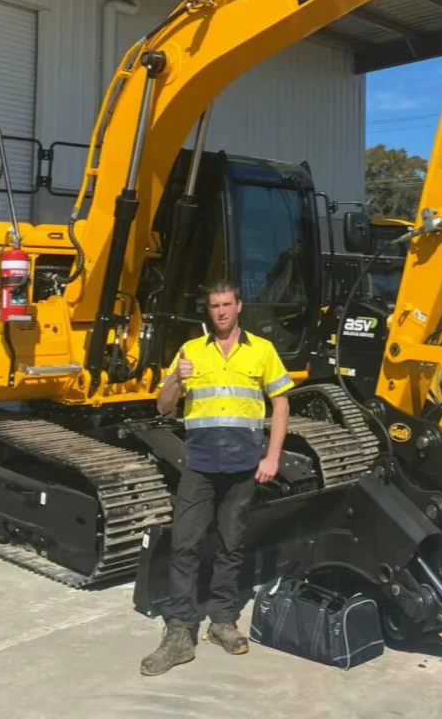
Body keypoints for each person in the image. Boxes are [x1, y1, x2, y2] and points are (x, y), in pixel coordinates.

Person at [139, 279, 293, 677]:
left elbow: (280, 403)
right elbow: (163, 404)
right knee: (184, 545)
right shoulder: (190, 351)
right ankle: (179, 632)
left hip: (243, 465)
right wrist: (176, 378)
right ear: (208, 311)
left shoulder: (262, 350)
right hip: (200, 465)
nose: (221, 311)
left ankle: (222, 621)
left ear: (239, 306)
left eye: (227, 304)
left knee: (231, 544)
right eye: (214, 306)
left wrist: (272, 457)